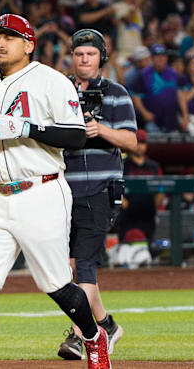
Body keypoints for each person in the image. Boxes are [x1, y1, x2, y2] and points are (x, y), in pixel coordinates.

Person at [0, 14, 111, 369]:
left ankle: (93, 337)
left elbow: (76, 135)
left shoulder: (50, 81)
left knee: (58, 285)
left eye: (10, 37)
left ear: (29, 45)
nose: (0, 43)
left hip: (41, 191)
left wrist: (28, 127)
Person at [57, 28, 138, 361]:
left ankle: (81, 336)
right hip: (61, 189)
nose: (84, 59)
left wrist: (99, 129)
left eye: (90, 54)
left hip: (100, 189)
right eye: (79, 54)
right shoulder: (60, 91)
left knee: (85, 264)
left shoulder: (116, 92)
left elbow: (132, 141)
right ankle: (107, 325)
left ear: (101, 57)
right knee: (71, 267)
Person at [119, 129, 164, 253]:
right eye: (138, 142)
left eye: (143, 143)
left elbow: (162, 188)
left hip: (148, 213)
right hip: (128, 214)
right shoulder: (123, 164)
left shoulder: (153, 166)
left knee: (147, 248)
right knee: (126, 247)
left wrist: (155, 204)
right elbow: (115, 185)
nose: (140, 146)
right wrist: (124, 203)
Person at [129, 44, 182, 133]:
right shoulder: (143, 74)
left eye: (163, 55)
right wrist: (144, 112)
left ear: (166, 58)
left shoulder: (174, 73)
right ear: (152, 58)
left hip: (172, 121)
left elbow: (180, 93)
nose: (161, 58)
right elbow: (135, 95)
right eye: (157, 56)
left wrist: (184, 115)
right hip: (153, 122)